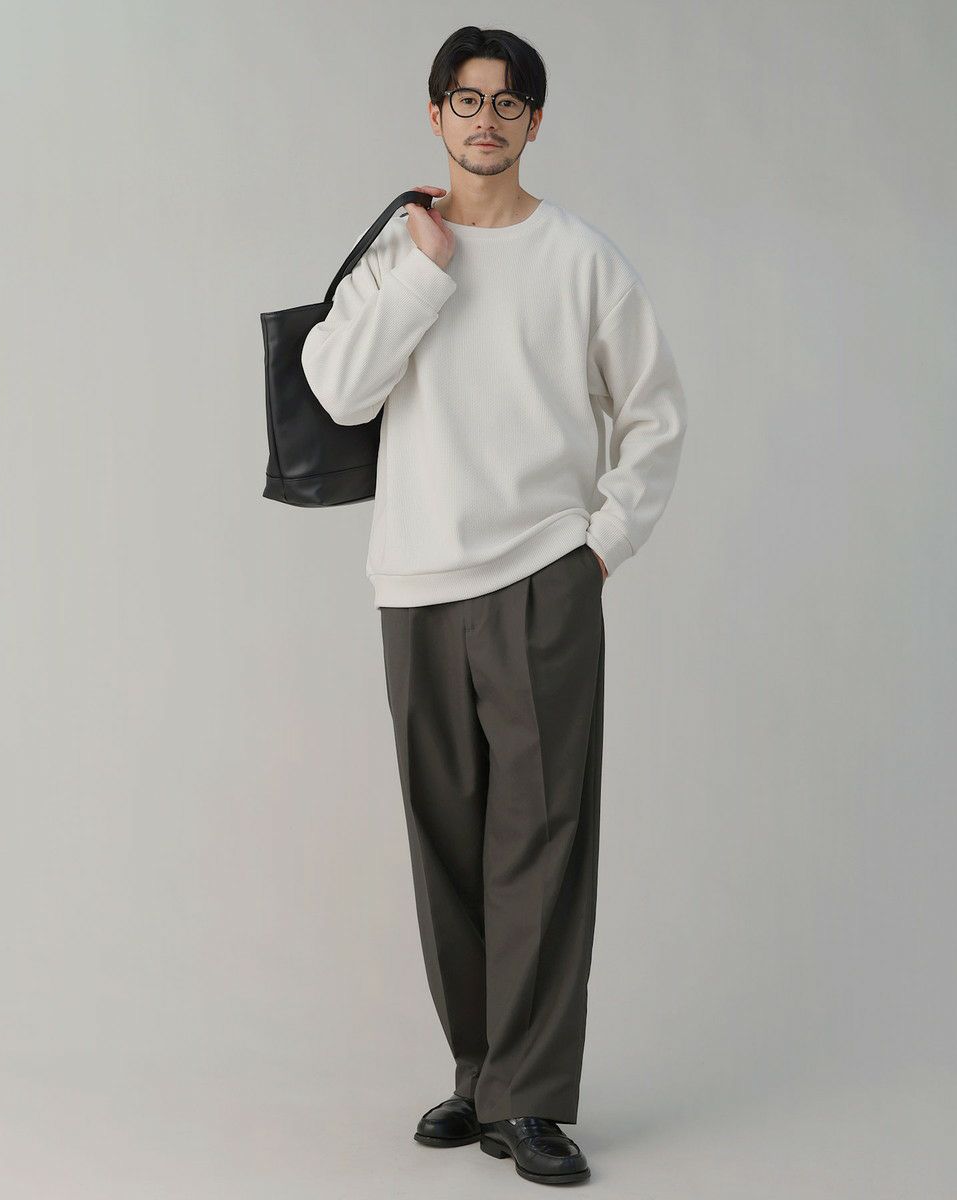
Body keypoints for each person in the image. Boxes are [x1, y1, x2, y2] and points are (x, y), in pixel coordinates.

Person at [301, 24, 687, 1188]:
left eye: (508, 102)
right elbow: (338, 387)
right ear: (435, 116)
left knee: (543, 841)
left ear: (534, 122)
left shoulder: (581, 259)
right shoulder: (400, 248)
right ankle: (479, 1073)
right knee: (447, 844)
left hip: (540, 579)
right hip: (415, 580)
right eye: (466, 100)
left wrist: (598, 548)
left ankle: (531, 1099)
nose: (486, 119)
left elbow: (654, 414)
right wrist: (423, 267)